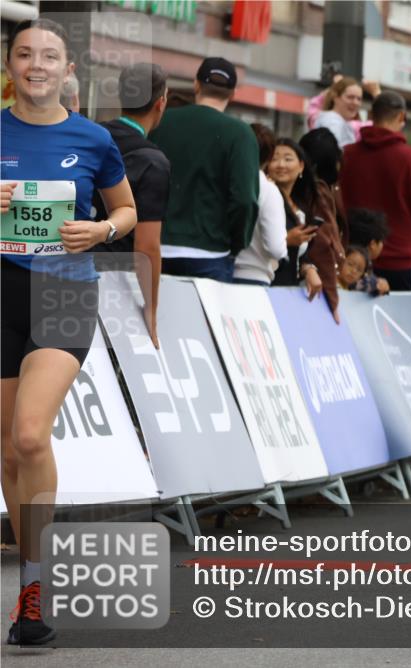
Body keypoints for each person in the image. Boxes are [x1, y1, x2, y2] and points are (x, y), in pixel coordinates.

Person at [1, 19, 137, 646]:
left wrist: (102, 230)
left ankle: (36, 584)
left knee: (31, 434)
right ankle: (31, 583)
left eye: (49, 56)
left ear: (68, 69)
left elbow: (126, 209)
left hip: (64, 291)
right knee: (8, 452)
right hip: (3, 291)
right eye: (25, 54)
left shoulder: (94, 137)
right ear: (10, 65)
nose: (37, 65)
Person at [150, 56, 259, 282]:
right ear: (233, 94)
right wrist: (236, 243)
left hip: (157, 245)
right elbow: (244, 199)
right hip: (211, 252)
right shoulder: (240, 134)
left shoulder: (160, 122)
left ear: (196, 85)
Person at [339, 91, 411, 291]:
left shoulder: (347, 155)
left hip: (352, 262)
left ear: (371, 115)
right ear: (401, 117)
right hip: (401, 264)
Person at [92, 63, 171, 348]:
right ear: (161, 103)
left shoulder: (91, 136)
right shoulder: (153, 161)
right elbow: (147, 247)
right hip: (114, 284)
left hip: (63, 269)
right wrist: (151, 308)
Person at [267, 137, 344, 320]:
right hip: (267, 287)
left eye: (288, 159)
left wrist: (308, 268)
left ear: (301, 166)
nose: (281, 164)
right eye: (274, 158)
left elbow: (304, 251)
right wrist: (287, 240)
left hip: (289, 291)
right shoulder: (265, 196)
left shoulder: (302, 206)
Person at [233, 124, 287, 286]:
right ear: (269, 157)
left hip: (222, 270)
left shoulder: (225, 179)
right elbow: (276, 248)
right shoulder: (269, 190)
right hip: (254, 276)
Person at [347, 207, 390, 295]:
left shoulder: (347, 253)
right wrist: (377, 284)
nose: (354, 270)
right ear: (373, 244)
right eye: (381, 241)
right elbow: (354, 283)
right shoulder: (359, 259)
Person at [314, 77, 364, 150]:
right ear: (336, 97)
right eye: (350, 97)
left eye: (359, 99)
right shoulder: (331, 122)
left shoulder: (339, 121)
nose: (355, 103)